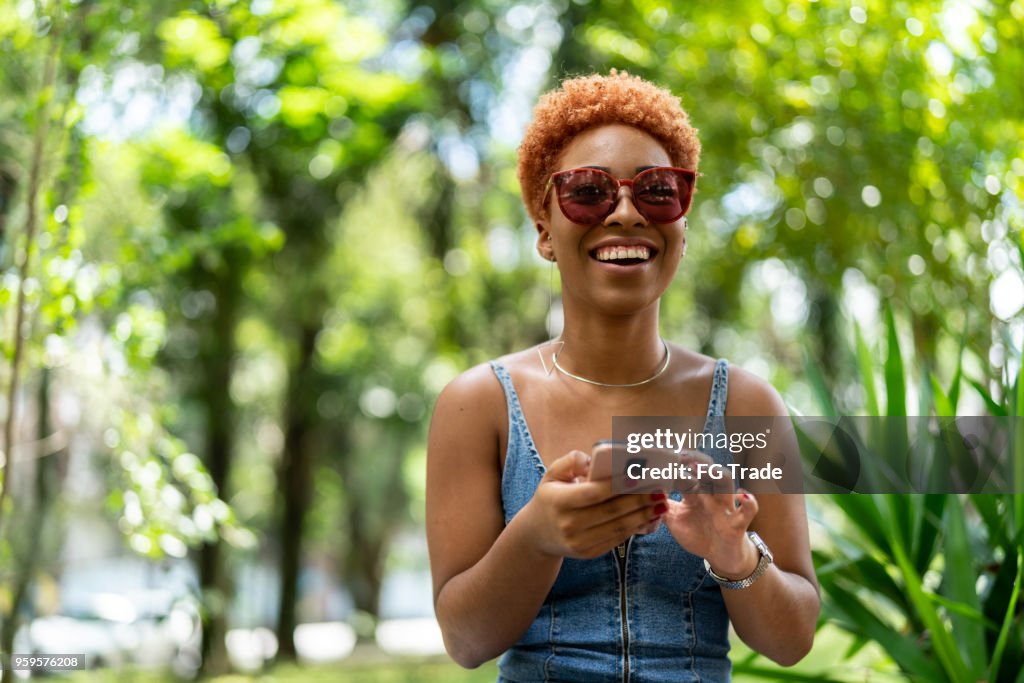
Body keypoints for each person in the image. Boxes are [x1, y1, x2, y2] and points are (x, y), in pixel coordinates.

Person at [426, 71, 819, 682]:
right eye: (589, 192)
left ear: (682, 227)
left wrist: (732, 552)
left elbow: (793, 639)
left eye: (659, 191)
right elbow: (465, 640)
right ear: (544, 230)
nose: (628, 213)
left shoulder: (746, 405)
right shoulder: (479, 405)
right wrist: (536, 536)